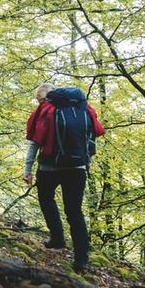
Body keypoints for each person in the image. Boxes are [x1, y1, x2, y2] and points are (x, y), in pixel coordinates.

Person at [24, 83, 105, 272]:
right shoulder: (84, 109)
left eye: (39, 100)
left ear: (44, 98)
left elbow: (35, 143)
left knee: (46, 198)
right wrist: (86, 162)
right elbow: (91, 137)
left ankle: (58, 238)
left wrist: (27, 169)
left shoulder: (47, 110)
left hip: (49, 167)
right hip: (77, 167)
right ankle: (81, 259)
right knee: (74, 212)